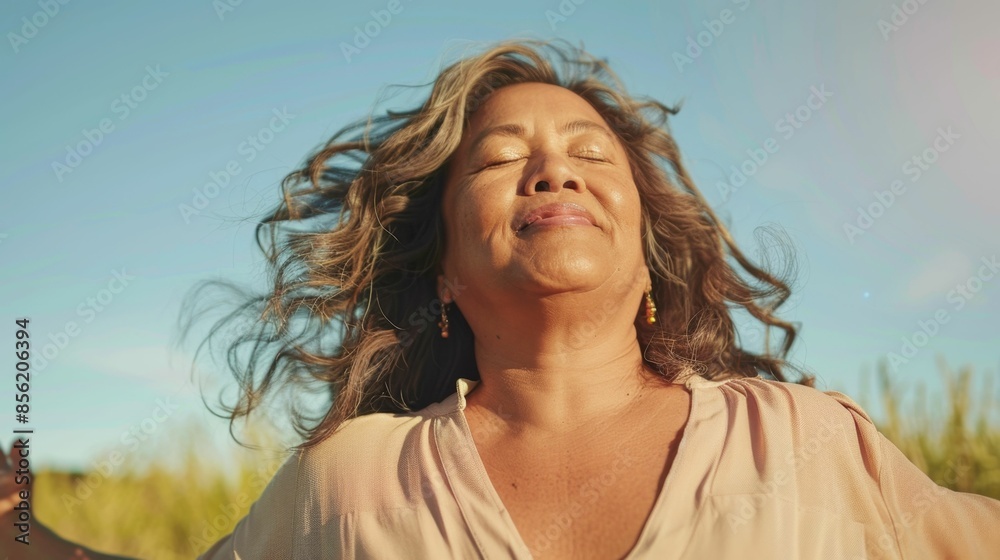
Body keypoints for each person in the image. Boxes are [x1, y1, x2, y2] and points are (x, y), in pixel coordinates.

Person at [2, 39, 998, 560]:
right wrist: (14, 524)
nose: (550, 172)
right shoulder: (349, 483)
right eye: (500, 157)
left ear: (649, 259)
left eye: (586, 153)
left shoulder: (809, 442)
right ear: (441, 268)